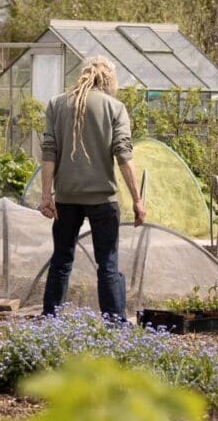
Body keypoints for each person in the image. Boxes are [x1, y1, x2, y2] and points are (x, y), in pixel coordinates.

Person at [39, 56, 145, 320]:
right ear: (109, 79)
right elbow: (124, 156)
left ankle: (49, 320)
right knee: (107, 264)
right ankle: (115, 325)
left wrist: (45, 196)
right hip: (102, 199)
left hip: (66, 197)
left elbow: (49, 152)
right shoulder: (114, 107)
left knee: (61, 261)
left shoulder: (57, 104)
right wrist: (137, 199)